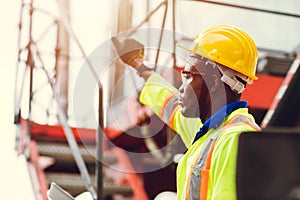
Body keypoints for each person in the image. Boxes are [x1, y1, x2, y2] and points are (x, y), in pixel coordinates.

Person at [112, 24, 261, 200]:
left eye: (188, 76)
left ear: (213, 83)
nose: (181, 88)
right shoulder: (212, 132)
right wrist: (140, 66)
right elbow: (169, 103)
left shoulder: (236, 139)